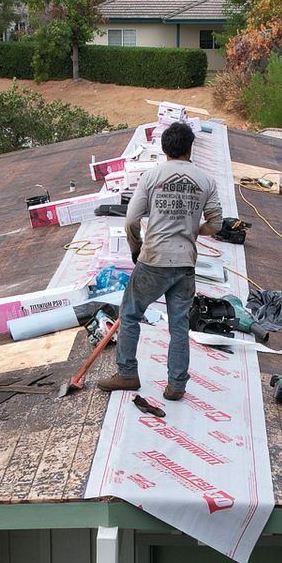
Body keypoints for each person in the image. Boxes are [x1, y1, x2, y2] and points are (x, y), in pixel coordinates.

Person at [98, 121, 223, 402]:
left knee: (129, 314)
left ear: (165, 148)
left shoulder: (152, 177)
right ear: (190, 148)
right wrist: (195, 230)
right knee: (179, 326)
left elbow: (131, 220)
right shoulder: (206, 181)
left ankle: (127, 373)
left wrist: (136, 248)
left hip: (153, 259)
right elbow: (216, 223)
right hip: (185, 263)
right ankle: (177, 385)